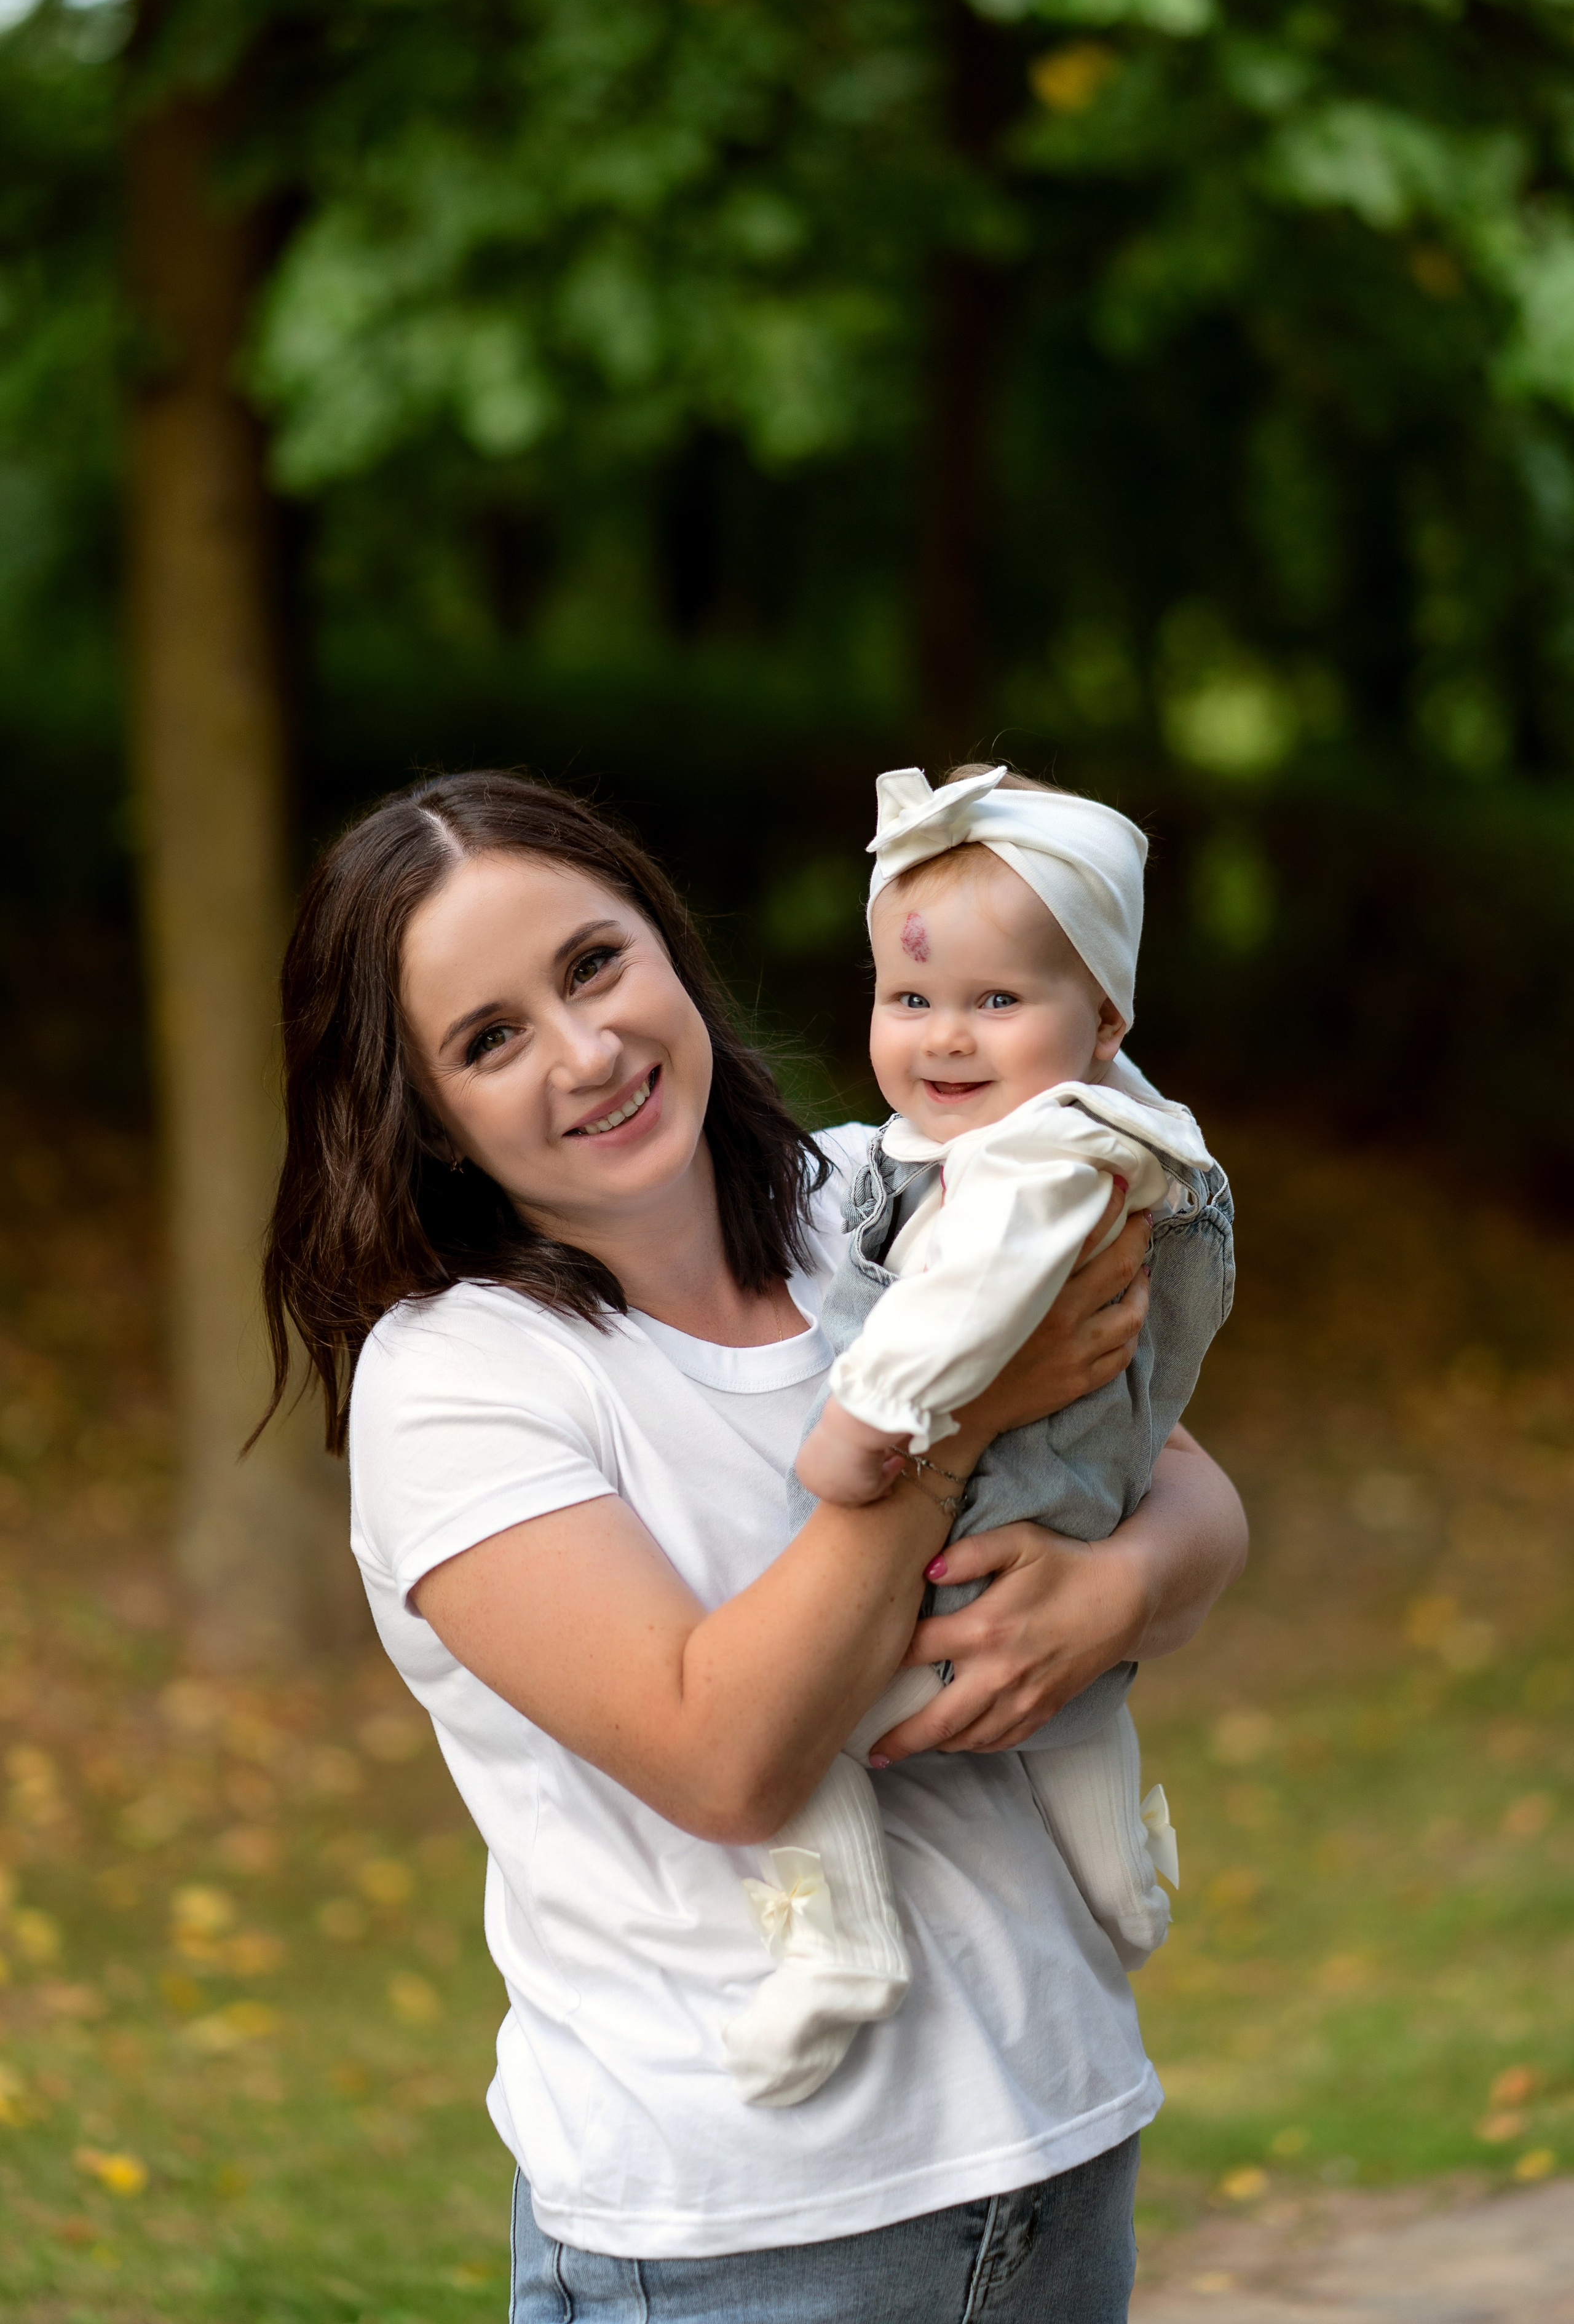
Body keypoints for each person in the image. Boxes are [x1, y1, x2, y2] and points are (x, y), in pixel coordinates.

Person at [258, 770, 1247, 2323]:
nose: (585, 1053)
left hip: (1056, 2147)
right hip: (740, 2236)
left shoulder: (873, 1195)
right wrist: (956, 1433)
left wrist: (1115, 1589)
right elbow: (721, 1756)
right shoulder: (459, 1378)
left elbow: (1181, 1484)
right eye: (490, 1039)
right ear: (425, 1114)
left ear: (666, 946)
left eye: (594, 965)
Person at [722, 763, 1233, 2112]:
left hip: (962, 1523)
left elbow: (968, 1299)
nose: (943, 1040)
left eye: (994, 1003)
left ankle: (838, 1945)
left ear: (1104, 1017)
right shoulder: (1118, 1134)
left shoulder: (1032, 1163)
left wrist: (865, 1423)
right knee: (1070, 1704)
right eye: (910, 1001)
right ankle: (1123, 1884)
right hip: (1071, 1517)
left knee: (807, 1713)